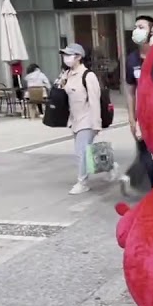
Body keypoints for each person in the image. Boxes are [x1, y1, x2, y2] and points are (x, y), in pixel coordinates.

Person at [120, 15, 153, 197]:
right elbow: (130, 90)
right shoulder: (132, 60)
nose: (137, 30)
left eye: (142, 27)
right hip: (142, 118)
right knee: (145, 155)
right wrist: (131, 117)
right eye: (136, 26)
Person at [59, 43, 105, 195]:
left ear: (78, 57)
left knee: (81, 152)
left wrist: (96, 124)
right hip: (74, 119)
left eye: (69, 55)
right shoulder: (67, 74)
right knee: (88, 152)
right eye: (64, 55)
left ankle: (82, 182)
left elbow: (94, 100)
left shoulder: (88, 76)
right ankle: (110, 166)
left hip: (87, 119)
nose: (66, 58)